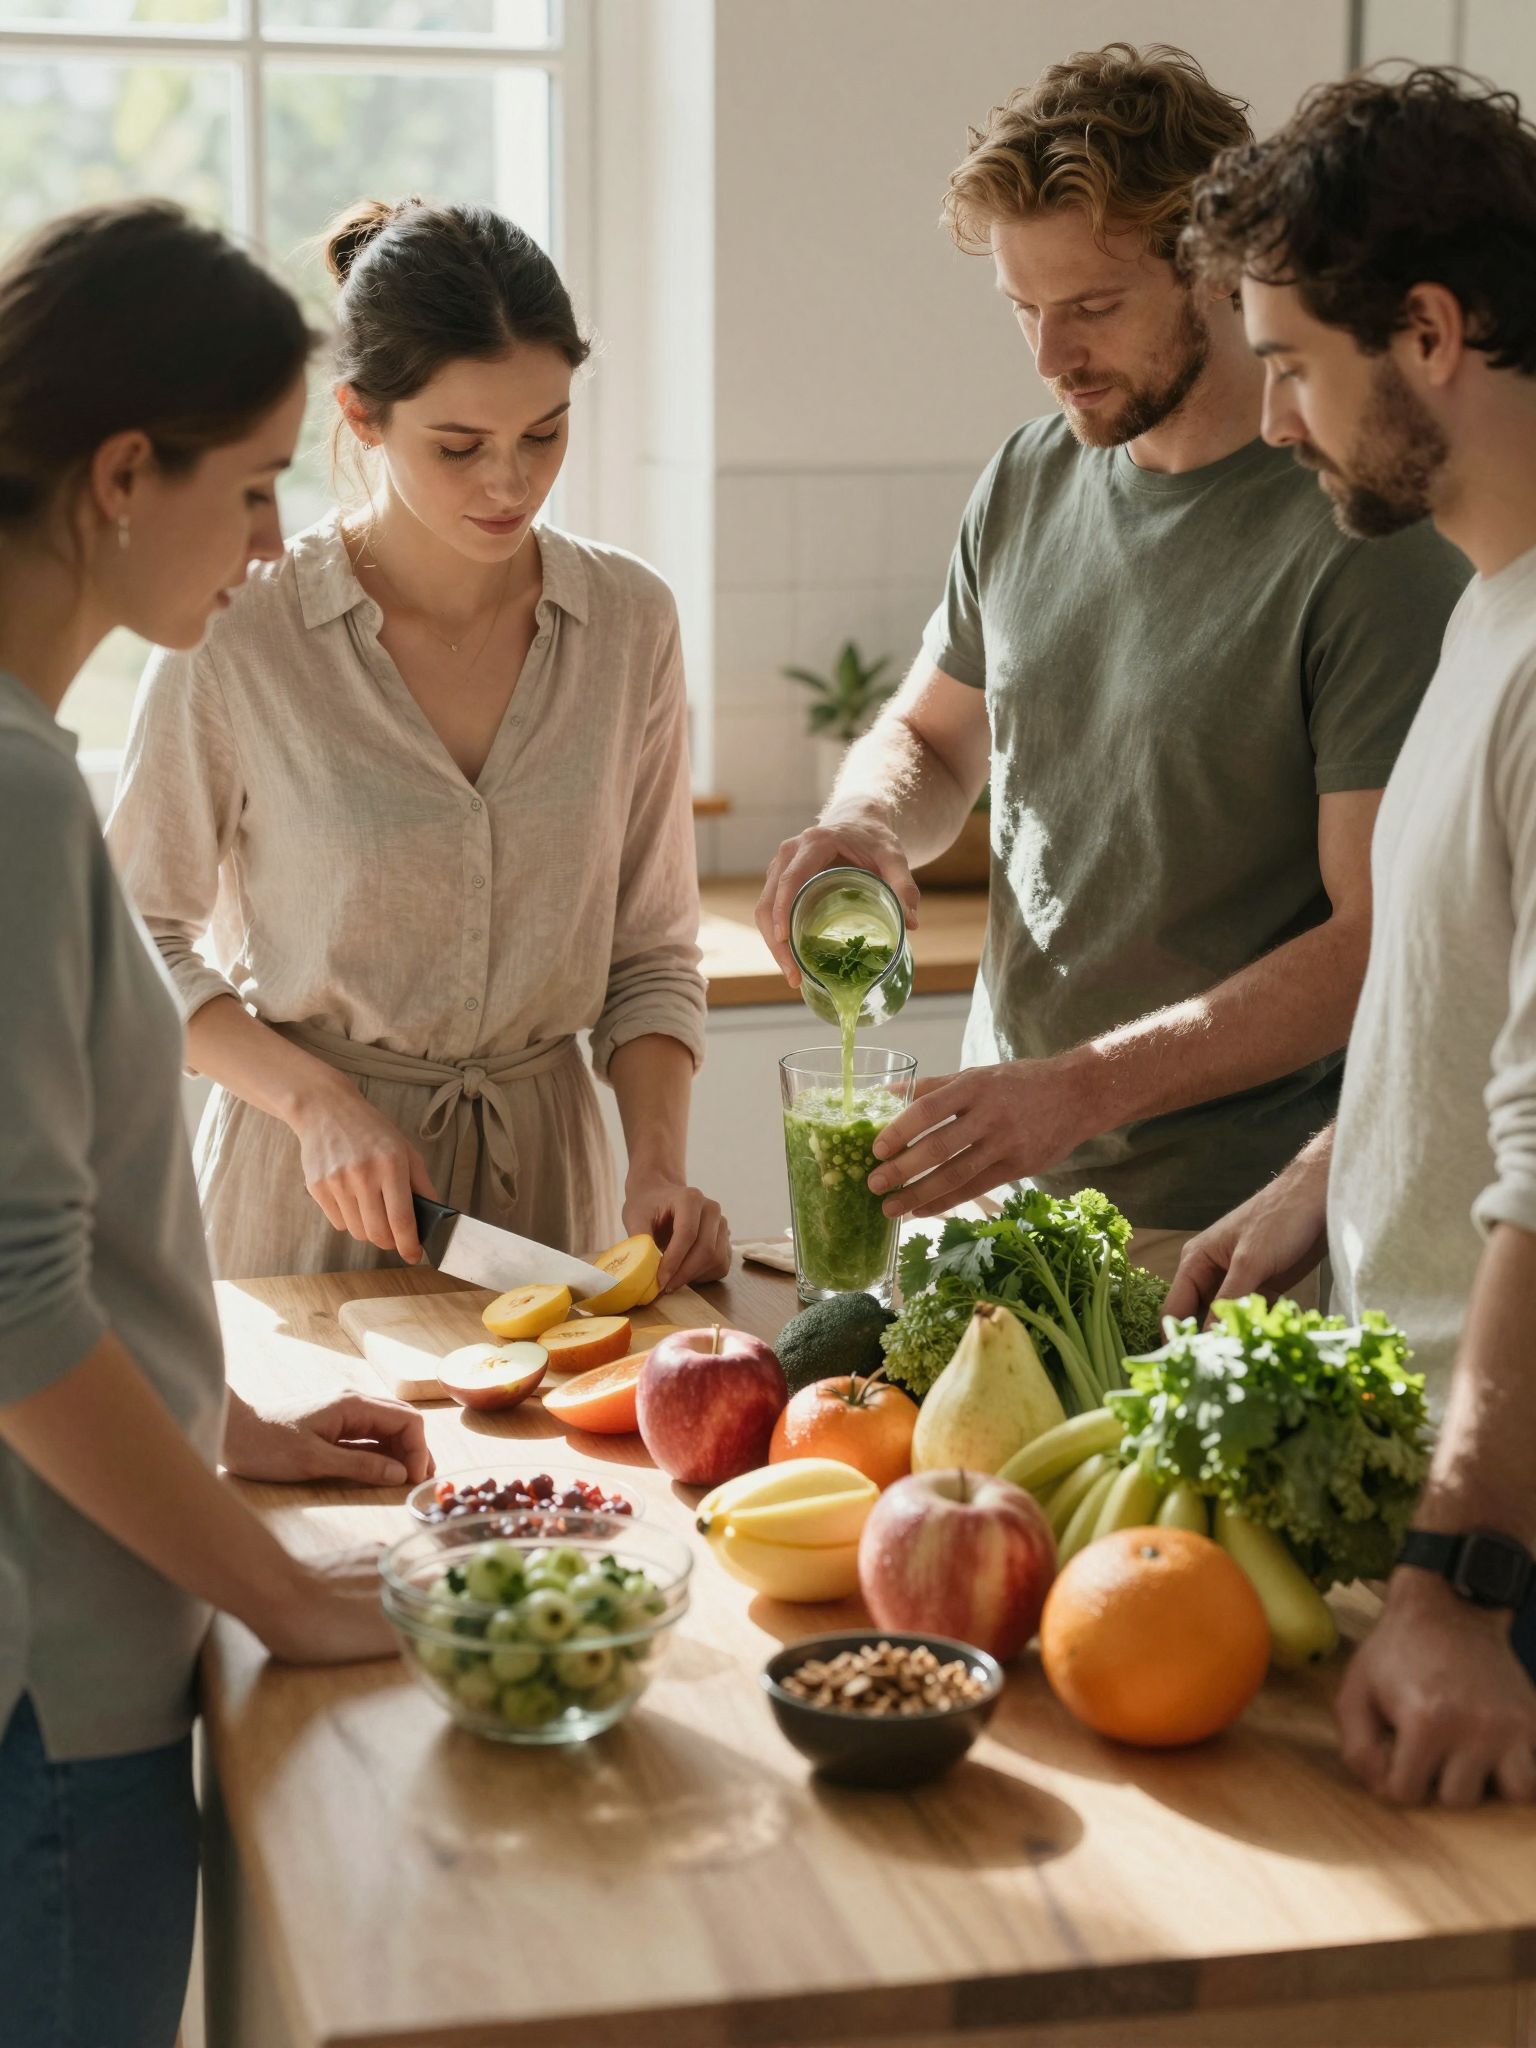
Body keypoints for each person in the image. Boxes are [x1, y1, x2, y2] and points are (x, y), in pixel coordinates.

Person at [755, 43, 1468, 1282]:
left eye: (1091, 308)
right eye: (1023, 310)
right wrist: (866, 822)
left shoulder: (1362, 535)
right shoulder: (1031, 472)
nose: (1050, 355)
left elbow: (1376, 943)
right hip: (997, 1204)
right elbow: (933, 737)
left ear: (1220, 270)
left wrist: (1071, 1092)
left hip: (1226, 1234)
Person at [0, 201, 431, 2048]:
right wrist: (282, 1596)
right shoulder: (15, 797)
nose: (272, 543)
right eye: (254, 486)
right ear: (121, 472)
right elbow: (12, 1307)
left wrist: (225, 1417)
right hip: (57, 1688)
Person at [109, 197, 729, 1290]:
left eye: (545, 432)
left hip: (550, 1208)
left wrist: (659, 1164)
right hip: (305, 1202)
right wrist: (316, 1100)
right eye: (460, 445)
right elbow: (136, 934)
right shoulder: (241, 626)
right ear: (360, 416)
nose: (512, 482)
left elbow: (650, 951)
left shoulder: (633, 621)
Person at [1170, 66, 1536, 1806]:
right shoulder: (1488, 607)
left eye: (1296, 365)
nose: (1273, 421)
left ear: (1433, 331)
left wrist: (1462, 1582)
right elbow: (1479, 1002)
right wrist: (1339, 1151)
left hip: (1496, 1575)